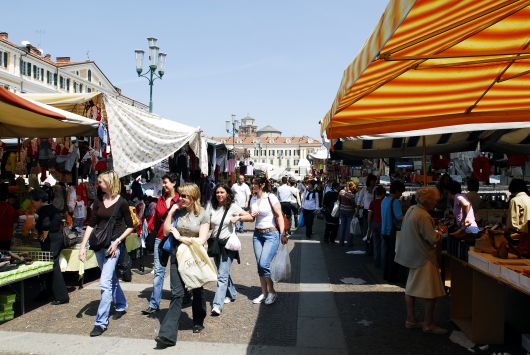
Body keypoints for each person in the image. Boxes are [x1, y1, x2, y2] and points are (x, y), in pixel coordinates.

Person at [79, 171, 134, 337]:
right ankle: (121, 304)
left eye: (101, 181)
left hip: (112, 246)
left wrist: (117, 241)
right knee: (111, 279)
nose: (99, 184)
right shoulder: (98, 201)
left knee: (104, 283)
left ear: (110, 183)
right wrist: (83, 246)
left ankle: (101, 323)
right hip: (98, 245)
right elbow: (91, 224)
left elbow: (131, 225)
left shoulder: (122, 202)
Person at [155, 183, 210, 348]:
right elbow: (165, 232)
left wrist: (180, 238)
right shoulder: (177, 211)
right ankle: (167, 334)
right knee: (177, 294)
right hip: (177, 255)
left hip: (195, 256)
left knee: (197, 289)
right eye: (180, 196)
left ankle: (198, 319)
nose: (181, 199)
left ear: (193, 196)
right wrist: (171, 212)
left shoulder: (203, 214)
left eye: (185, 196)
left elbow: (201, 240)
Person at [395, 187, 448, 334]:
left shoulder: (412, 209)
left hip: (412, 255)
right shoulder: (423, 216)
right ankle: (428, 323)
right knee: (431, 293)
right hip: (424, 257)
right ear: (429, 201)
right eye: (435, 200)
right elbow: (432, 238)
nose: (436, 202)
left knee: (410, 289)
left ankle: (410, 320)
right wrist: (441, 233)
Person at [208, 184, 252, 316]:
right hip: (215, 243)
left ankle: (217, 306)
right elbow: (207, 223)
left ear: (227, 193)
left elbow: (250, 217)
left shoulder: (232, 206)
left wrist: (238, 218)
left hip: (228, 245)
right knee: (223, 272)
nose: (219, 195)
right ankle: (232, 293)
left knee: (221, 275)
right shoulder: (212, 206)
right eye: (217, 192)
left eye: (222, 192)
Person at [142, 174, 180, 316]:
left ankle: (178, 300)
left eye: (166, 182)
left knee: (177, 272)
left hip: (176, 240)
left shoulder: (181, 200)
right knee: (159, 272)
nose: (163, 185)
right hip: (160, 239)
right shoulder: (161, 199)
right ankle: (154, 304)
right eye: (163, 183)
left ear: (174, 183)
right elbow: (156, 217)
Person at [249, 175, 287, 305]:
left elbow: (279, 216)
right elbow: (252, 218)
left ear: (262, 185)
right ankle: (264, 293)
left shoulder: (271, 197)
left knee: (264, 264)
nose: (252, 185)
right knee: (260, 265)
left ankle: (272, 292)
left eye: (255, 183)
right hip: (257, 235)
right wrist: (248, 215)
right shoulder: (253, 199)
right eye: (252, 183)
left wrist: (283, 233)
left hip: (271, 234)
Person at [32, 189, 69, 305]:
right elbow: (61, 221)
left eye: (33, 201)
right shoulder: (53, 208)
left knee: (52, 267)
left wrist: (43, 235)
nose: (32, 203)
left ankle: (61, 296)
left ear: (39, 200)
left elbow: (46, 224)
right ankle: (49, 292)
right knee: (50, 266)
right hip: (57, 238)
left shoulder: (43, 210)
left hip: (51, 241)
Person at [381, 180, 405, 283]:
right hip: (392, 231)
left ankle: (386, 274)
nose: (401, 195)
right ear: (396, 191)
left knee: (387, 254)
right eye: (401, 192)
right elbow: (399, 217)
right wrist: (408, 215)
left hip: (384, 230)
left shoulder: (384, 200)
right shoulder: (395, 202)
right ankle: (393, 277)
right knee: (394, 255)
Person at [367, 185, 386, 268]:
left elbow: (369, 215)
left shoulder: (373, 202)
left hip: (374, 224)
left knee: (376, 244)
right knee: (383, 245)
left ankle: (376, 262)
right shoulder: (385, 202)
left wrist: (369, 226)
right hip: (383, 224)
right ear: (383, 193)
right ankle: (383, 263)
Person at [338, 181, 357, 246]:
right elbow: (353, 205)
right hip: (350, 211)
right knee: (350, 227)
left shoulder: (341, 192)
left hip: (342, 210)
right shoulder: (351, 195)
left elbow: (339, 200)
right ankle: (349, 242)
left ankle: (341, 242)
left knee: (342, 226)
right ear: (351, 187)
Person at [0, 184, 18, 250]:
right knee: (4, 257)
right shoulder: (11, 208)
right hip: (6, 237)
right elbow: (15, 224)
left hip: (5, 236)